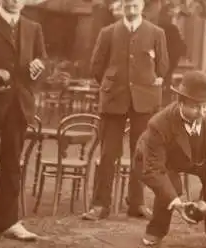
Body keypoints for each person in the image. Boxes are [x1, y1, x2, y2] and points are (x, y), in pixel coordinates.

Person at [133, 70, 206, 248]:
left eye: (204, 106)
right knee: (171, 187)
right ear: (180, 103)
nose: (202, 112)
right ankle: (156, 231)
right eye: (195, 107)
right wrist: (177, 203)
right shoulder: (159, 124)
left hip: (199, 156)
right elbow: (154, 169)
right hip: (159, 160)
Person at [82, 0, 169, 221]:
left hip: (144, 100)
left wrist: (146, 83)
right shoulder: (108, 33)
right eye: (127, 5)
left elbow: (163, 66)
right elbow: (96, 67)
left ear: (142, 5)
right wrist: (112, 85)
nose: (131, 10)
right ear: (121, 6)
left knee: (140, 153)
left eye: (135, 5)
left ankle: (137, 203)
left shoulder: (156, 33)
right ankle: (100, 205)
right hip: (113, 100)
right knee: (108, 153)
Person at [0, 0, 47, 241]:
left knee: (12, 164)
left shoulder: (34, 28)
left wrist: (39, 65)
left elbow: (43, 59)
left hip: (18, 106)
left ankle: (8, 222)